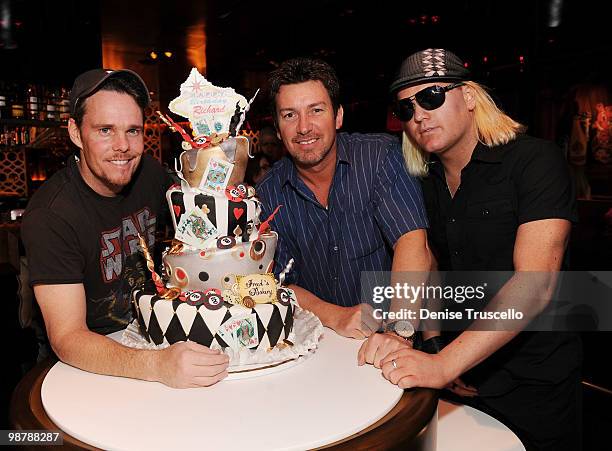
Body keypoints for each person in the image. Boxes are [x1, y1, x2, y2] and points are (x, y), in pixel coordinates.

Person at [363, 48, 581, 451]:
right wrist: (435, 344)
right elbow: (432, 267)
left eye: (431, 97)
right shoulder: (425, 180)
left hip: (534, 382)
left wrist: (445, 363)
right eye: (406, 109)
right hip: (462, 378)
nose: (419, 116)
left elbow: (536, 283)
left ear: (469, 97)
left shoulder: (534, 161)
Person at [21, 69, 229, 388]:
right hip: (84, 365)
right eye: (105, 130)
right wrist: (158, 365)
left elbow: (197, 212)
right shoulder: (52, 215)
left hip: (150, 340)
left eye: (133, 131)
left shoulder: (147, 174)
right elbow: (68, 337)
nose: (123, 147)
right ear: (75, 133)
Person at [257, 57, 432, 340]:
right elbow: (277, 282)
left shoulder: (379, 158)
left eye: (316, 110)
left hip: (390, 335)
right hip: (319, 341)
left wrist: (399, 333)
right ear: (277, 129)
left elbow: (412, 242)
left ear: (338, 116)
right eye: (290, 115)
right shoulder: (268, 192)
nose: (304, 127)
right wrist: (336, 316)